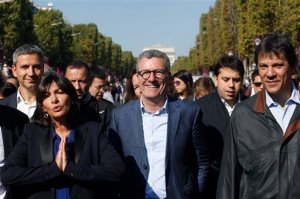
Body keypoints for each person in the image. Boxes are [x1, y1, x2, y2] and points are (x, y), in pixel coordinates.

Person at [2, 74, 125, 199]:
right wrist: (53, 170)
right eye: (46, 96)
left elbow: (117, 170)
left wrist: (72, 170)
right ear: (42, 107)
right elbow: (8, 174)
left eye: (59, 92)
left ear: (71, 98)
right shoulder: (32, 132)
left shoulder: (93, 131)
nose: (54, 99)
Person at [110, 49, 210, 199]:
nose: (151, 78)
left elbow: (201, 161)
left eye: (158, 72)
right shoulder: (120, 116)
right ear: (137, 77)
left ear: (168, 77)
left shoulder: (189, 113)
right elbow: (113, 164)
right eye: (145, 73)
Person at [217, 34, 300, 198]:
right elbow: (229, 178)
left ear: (292, 68)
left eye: (277, 65)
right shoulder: (242, 115)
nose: (269, 73)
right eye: (263, 66)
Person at [195, 55, 246, 198]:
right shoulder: (199, 109)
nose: (231, 85)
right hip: (213, 187)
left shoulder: (254, 107)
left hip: (246, 185)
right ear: (216, 79)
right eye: (225, 79)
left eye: (236, 80)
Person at [64, 60, 114, 135]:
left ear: (88, 82)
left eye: (81, 81)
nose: (77, 87)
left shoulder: (101, 109)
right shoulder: (58, 106)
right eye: (72, 81)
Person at [0, 44, 44, 119]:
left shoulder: (53, 105)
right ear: (14, 70)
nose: (31, 73)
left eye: (36, 67)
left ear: (42, 68)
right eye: (25, 67)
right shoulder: (2, 106)